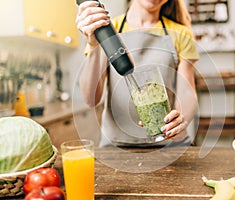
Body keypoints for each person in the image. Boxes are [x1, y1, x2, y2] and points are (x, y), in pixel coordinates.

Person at [76, 0, 199, 147]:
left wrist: (180, 120)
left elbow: (187, 92)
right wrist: (93, 45)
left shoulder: (180, 33)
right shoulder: (104, 29)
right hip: (116, 147)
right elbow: (90, 99)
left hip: (168, 143)